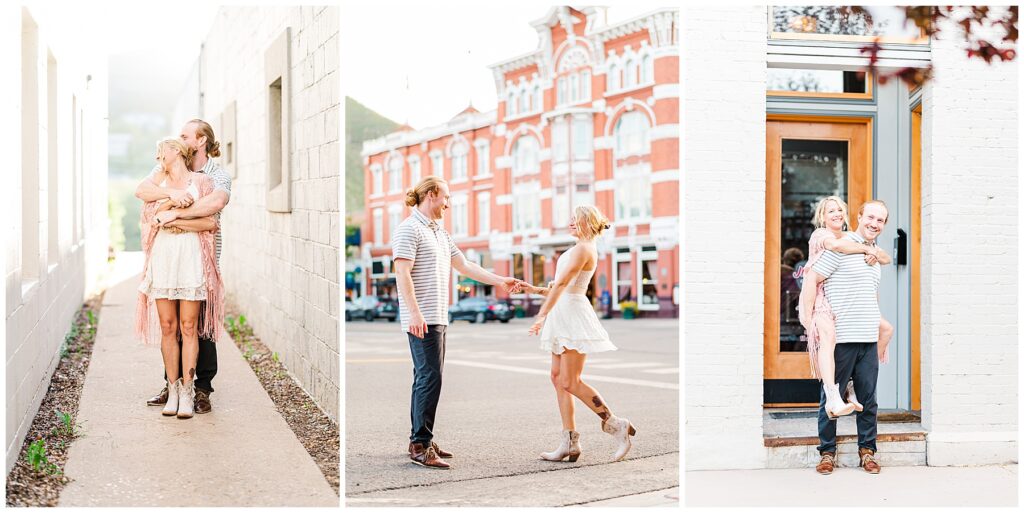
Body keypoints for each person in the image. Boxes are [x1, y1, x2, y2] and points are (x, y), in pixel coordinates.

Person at [392, 176, 523, 470]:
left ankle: (420, 439)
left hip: (437, 316)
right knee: (430, 378)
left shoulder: (440, 232)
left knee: (425, 378)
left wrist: (501, 281)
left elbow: (465, 266)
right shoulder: (408, 229)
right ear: (431, 194)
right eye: (446, 198)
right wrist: (414, 313)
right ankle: (420, 445)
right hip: (422, 317)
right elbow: (402, 273)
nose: (448, 204)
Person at [524, 205, 637, 463]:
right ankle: (569, 442)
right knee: (557, 378)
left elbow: (564, 285)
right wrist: (532, 288)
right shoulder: (577, 248)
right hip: (562, 314)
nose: (571, 222)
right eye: (571, 219)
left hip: (572, 317)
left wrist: (541, 315)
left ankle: (616, 424)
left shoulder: (585, 249)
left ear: (588, 222)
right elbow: (559, 287)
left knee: (570, 381)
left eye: (577, 219)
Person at [135, 119, 231, 414]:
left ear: (200, 141)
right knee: (171, 326)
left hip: (202, 256)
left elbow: (213, 207)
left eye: (185, 135)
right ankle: (172, 384)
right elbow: (144, 191)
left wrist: (175, 216)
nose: (179, 138)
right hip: (167, 257)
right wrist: (171, 196)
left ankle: (201, 389)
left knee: (199, 326)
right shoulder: (164, 169)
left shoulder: (215, 175)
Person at [800, 200, 891, 475]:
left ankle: (867, 451)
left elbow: (869, 294)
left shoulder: (875, 255)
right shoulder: (842, 244)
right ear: (860, 217)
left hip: (867, 336)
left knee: (869, 399)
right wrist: (810, 320)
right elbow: (812, 278)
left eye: (880, 220)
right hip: (842, 337)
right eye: (870, 217)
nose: (874, 224)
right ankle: (827, 452)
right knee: (831, 397)